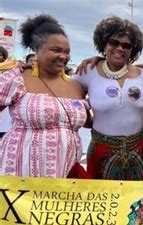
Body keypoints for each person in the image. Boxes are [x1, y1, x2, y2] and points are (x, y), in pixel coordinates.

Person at [0, 14, 88, 177]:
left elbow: (90, 122)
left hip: (66, 170)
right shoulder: (17, 78)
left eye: (67, 52)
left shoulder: (76, 85)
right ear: (37, 50)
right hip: (22, 172)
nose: (63, 56)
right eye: (56, 50)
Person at [74, 16, 143, 180]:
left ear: (132, 50)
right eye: (114, 43)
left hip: (139, 151)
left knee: (136, 200)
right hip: (101, 150)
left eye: (126, 45)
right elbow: (70, 97)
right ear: (104, 44)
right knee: (102, 201)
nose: (120, 48)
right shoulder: (87, 71)